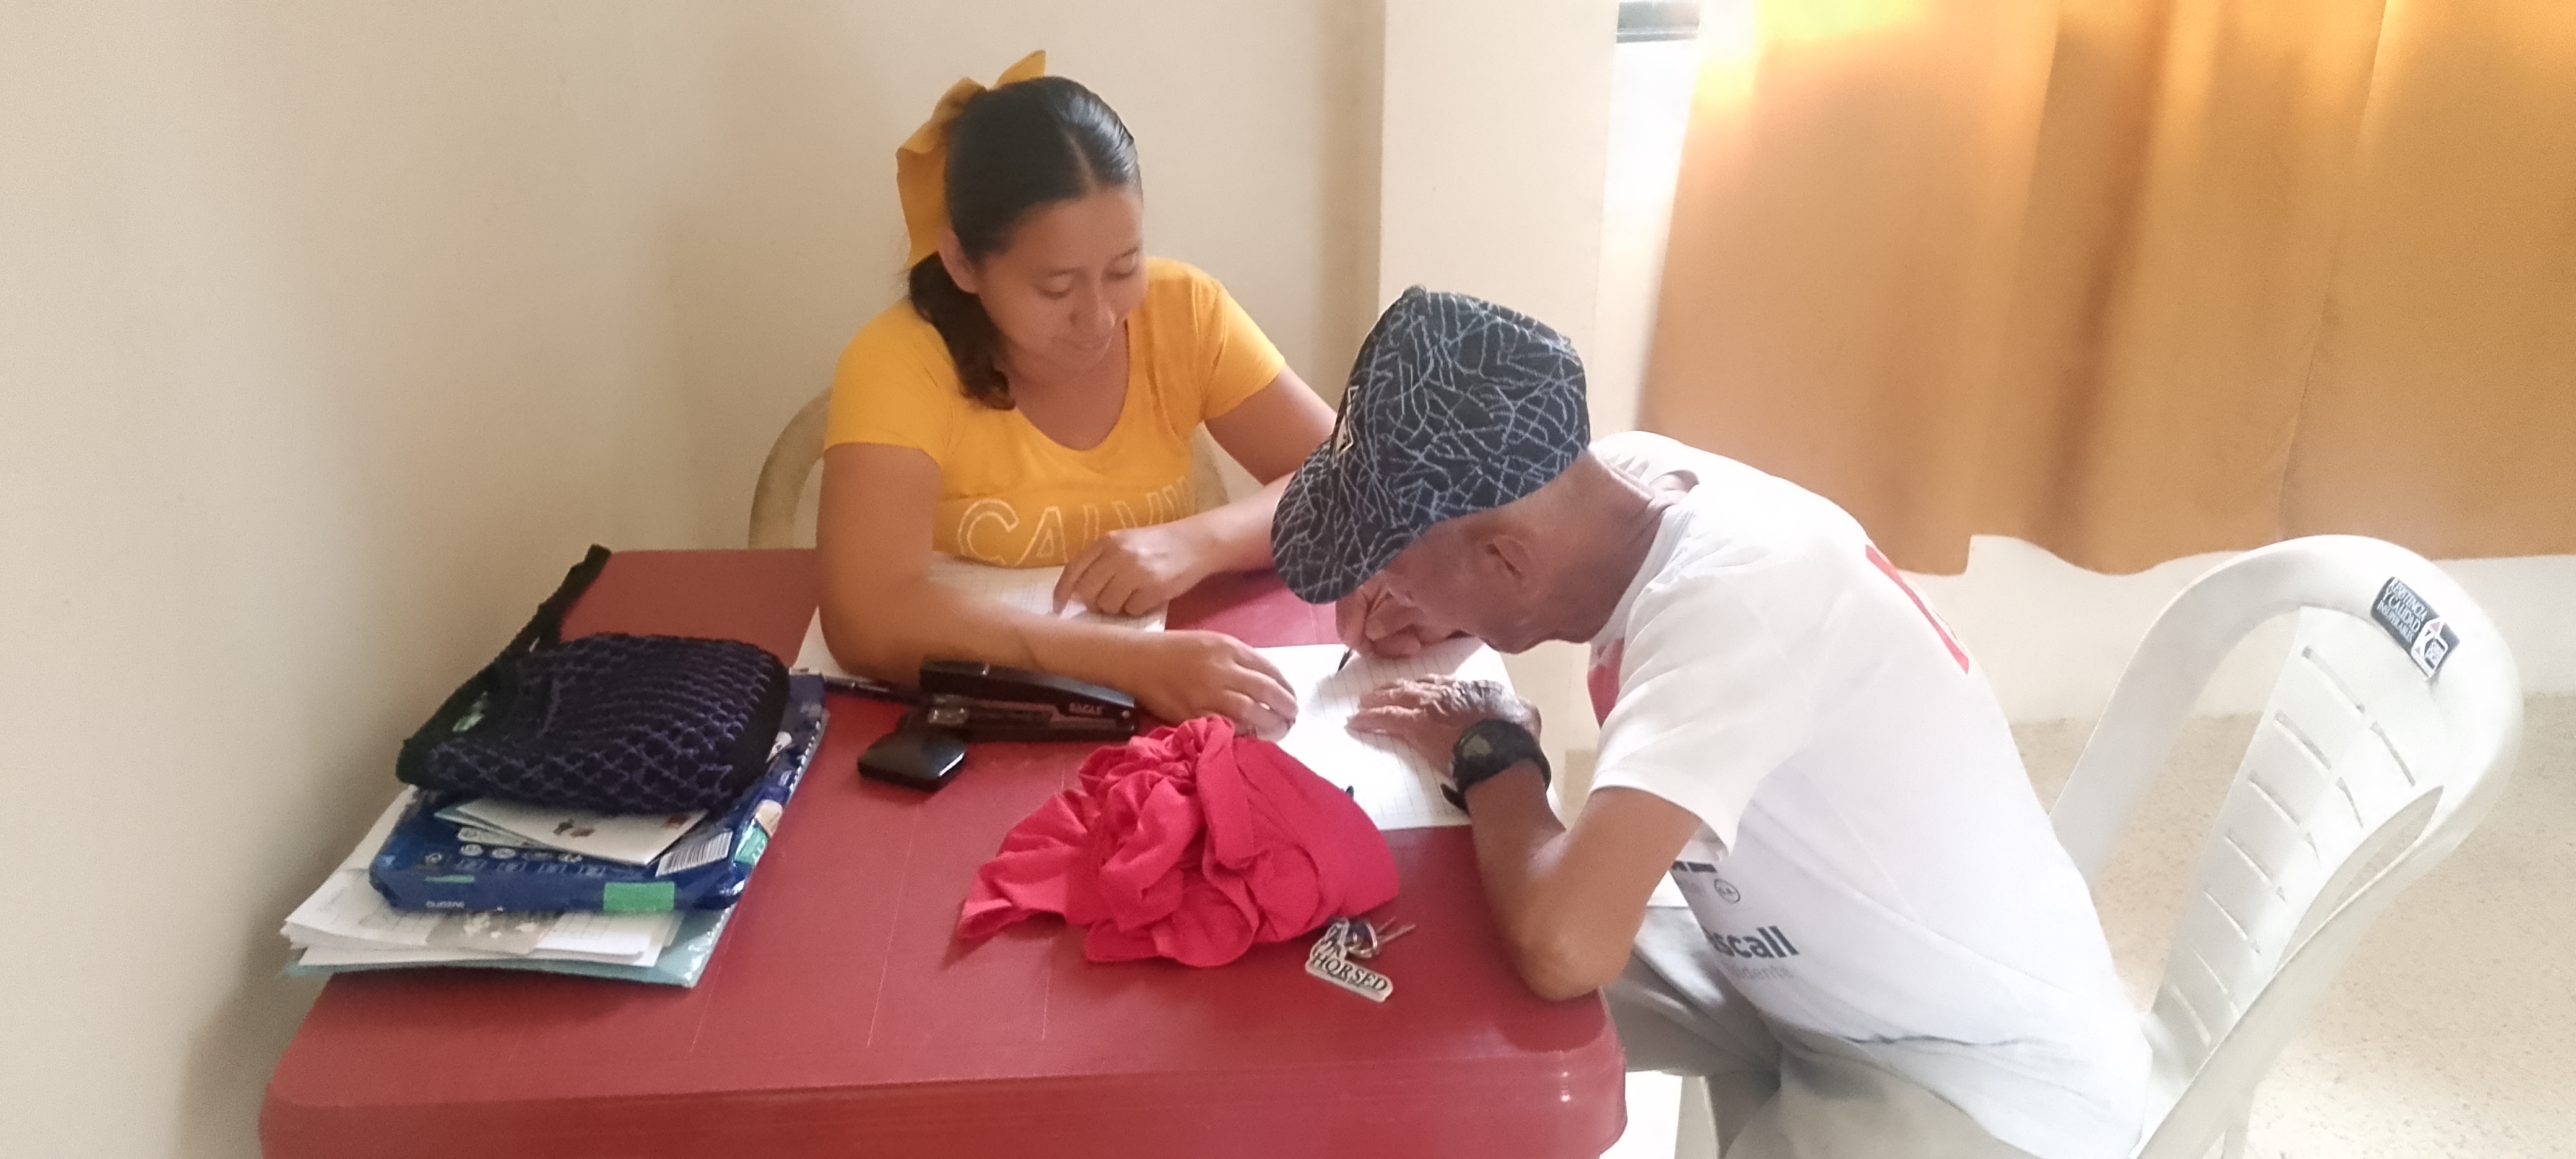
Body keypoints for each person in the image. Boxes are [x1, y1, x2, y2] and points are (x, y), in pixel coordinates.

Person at [1269, 288, 2149, 1158]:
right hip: (1796, 975)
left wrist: (1493, 752)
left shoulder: (1732, 603)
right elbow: (1530, 588)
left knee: (1527, 950)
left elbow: (1568, 948)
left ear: (1509, 559)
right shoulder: (1621, 485)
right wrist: (1450, 607)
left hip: (1978, 1077)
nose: (1387, 590)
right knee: (1435, 989)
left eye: (1392, 566)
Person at [817, 53, 1334, 737]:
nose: (1098, 318)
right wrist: (1122, 662)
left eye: (1123, 269)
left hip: (1167, 702)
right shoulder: (898, 362)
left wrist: (1197, 543)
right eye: (1055, 287)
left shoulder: (1185, 312)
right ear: (964, 262)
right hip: (980, 725)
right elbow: (866, 615)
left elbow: (1346, 478)